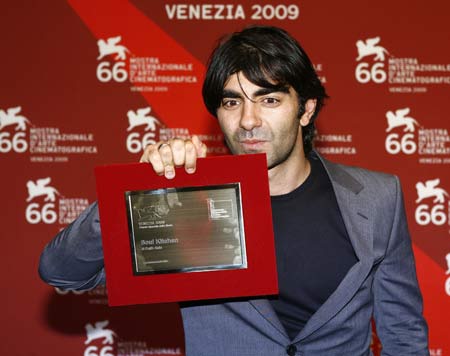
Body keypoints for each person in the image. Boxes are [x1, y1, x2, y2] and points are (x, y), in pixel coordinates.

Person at [39, 26, 429, 355]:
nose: (247, 120)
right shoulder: (188, 198)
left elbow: (403, 334)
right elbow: (60, 272)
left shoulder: (378, 197)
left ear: (306, 110)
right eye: (232, 102)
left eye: (269, 99)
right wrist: (136, 189)